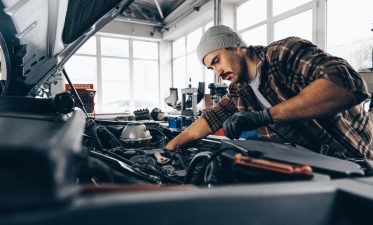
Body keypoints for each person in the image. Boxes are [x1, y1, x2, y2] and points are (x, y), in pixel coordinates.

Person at [165, 25, 373, 159]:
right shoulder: (240, 90)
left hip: (357, 160)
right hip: (318, 171)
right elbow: (210, 120)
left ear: (236, 46)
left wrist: (266, 116)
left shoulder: (282, 55)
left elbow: (347, 85)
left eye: (217, 61)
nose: (217, 72)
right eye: (211, 68)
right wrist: (169, 148)